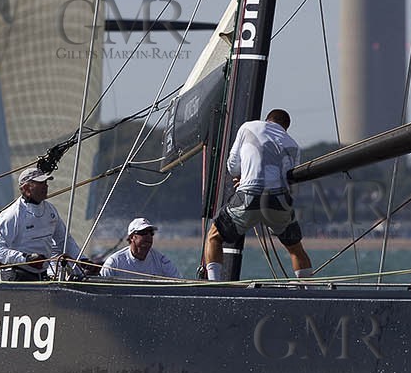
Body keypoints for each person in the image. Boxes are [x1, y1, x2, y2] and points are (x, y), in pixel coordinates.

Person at [202, 109, 313, 281]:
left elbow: (232, 166)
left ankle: (213, 285)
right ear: (285, 128)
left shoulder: (248, 127)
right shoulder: (294, 145)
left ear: (267, 120)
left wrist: (244, 176)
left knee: (214, 237)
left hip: (249, 194)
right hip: (279, 200)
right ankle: (309, 291)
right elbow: (290, 180)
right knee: (295, 248)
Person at [0, 167, 84, 281]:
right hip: (17, 275)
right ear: (26, 188)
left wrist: (82, 260)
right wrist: (26, 258)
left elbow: (64, 240)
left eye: (45, 182)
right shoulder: (12, 214)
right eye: (40, 183)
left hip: (41, 274)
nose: (46, 186)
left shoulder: (50, 210)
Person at [100, 217, 180, 281]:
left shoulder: (162, 262)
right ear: (131, 237)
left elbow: (179, 285)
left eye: (151, 233)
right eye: (143, 232)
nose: (148, 236)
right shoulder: (114, 263)